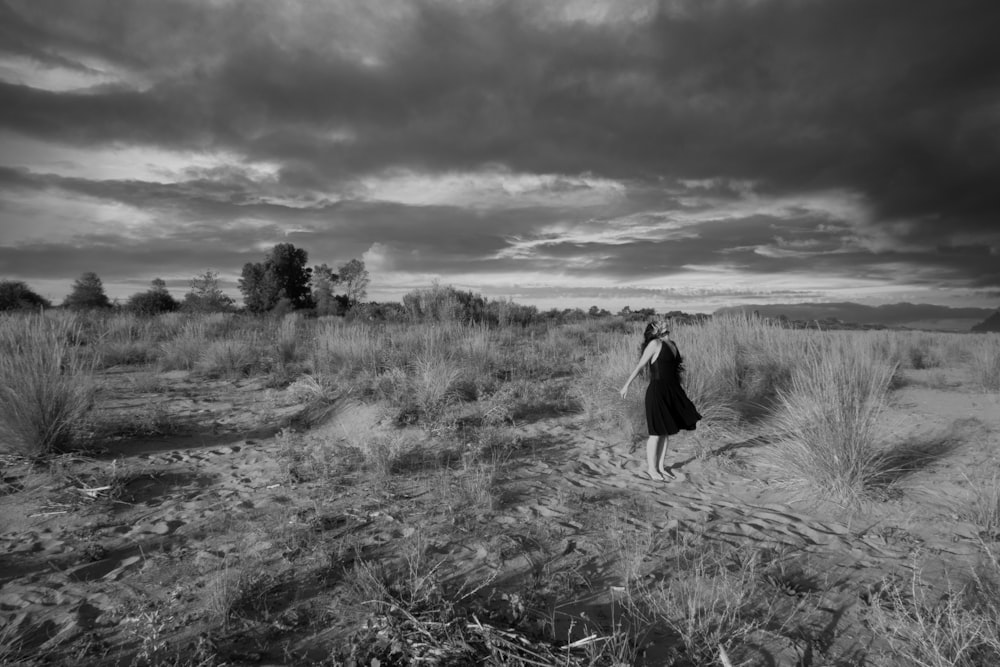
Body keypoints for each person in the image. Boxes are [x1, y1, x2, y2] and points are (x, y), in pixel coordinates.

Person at [619, 320, 701, 481]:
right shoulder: (654, 344)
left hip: (671, 390)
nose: (664, 323)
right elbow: (640, 366)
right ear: (655, 331)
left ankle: (661, 467)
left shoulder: (672, 344)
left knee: (666, 432)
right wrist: (626, 385)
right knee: (656, 433)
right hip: (657, 392)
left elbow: (674, 369)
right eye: (659, 323)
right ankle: (651, 469)